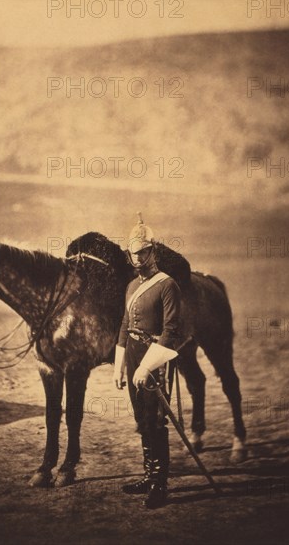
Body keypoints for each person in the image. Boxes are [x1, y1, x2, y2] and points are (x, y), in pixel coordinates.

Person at [113, 213, 182, 509]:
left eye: (143, 251)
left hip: (156, 357)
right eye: (133, 252)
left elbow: (170, 331)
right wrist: (120, 364)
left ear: (153, 251)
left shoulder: (168, 285)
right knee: (141, 418)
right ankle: (148, 476)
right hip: (133, 353)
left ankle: (159, 485)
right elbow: (124, 325)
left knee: (155, 420)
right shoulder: (130, 286)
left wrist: (145, 366)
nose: (138, 258)